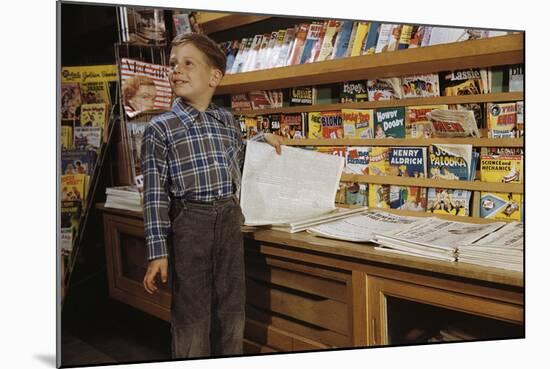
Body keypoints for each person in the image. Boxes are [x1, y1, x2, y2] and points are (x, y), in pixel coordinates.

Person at [141, 32, 283, 359]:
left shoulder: (225, 121)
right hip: (190, 222)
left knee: (231, 306)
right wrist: (157, 252)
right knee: (192, 312)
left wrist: (264, 140)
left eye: (188, 63)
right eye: (173, 64)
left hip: (229, 219)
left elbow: (237, 157)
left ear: (214, 77)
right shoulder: (161, 128)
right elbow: (153, 197)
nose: (176, 70)